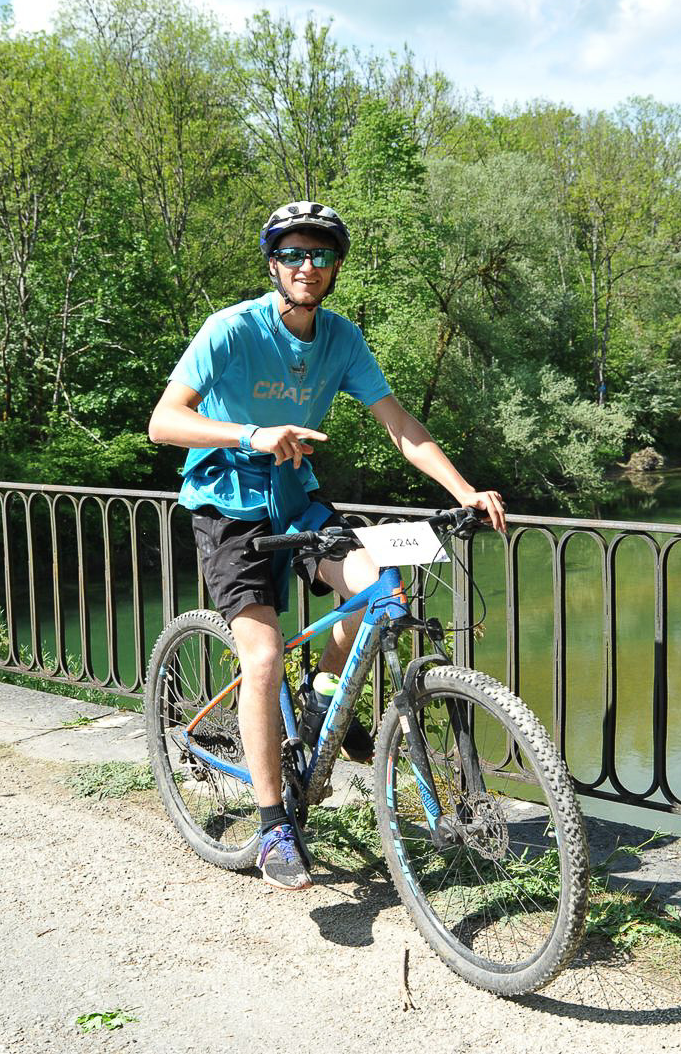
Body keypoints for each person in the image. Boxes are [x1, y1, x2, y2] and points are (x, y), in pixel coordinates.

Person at [147, 201, 508, 891]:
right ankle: (273, 825)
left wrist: (464, 489)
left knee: (379, 588)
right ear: (273, 264)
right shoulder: (230, 329)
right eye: (293, 253)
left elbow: (398, 422)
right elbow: (164, 421)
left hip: (297, 500)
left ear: (335, 267)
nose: (306, 266)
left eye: (319, 255)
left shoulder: (342, 338)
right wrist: (252, 435)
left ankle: (321, 698)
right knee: (262, 657)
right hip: (227, 507)